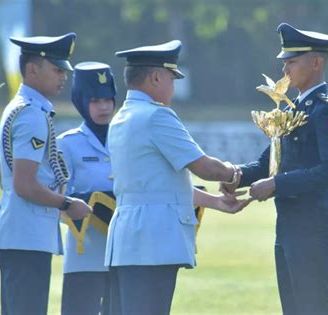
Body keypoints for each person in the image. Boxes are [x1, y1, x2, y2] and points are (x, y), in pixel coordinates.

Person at [106, 40, 252, 315]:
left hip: (127, 241)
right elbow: (205, 168)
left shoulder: (121, 118)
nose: (173, 86)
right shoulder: (157, 117)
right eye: (171, 77)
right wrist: (235, 174)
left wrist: (216, 202)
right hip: (153, 242)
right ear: (156, 76)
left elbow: (159, 185)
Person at [221, 23, 328, 315]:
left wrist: (276, 184)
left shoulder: (326, 109)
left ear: (316, 63)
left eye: (291, 61)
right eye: (284, 62)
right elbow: (269, 161)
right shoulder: (292, 110)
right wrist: (234, 176)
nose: (284, 69)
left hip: (312, 226)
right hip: (290, 226)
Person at [0, 33, 92, 315]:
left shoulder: (28, 108)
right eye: (57, 70)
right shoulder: (32, 114)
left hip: (23, 233)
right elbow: (25, 184)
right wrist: (68, 204)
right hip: (26, 234)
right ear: (32, 69)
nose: (63, 77)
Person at [57, 61, 117, 315]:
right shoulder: (66, 145)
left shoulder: (127, 138)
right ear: (81, 101)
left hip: (123, 253)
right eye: (94, 100)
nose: (104, 106)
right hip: (85, 255)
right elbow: (57, 200)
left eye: (108, 99)